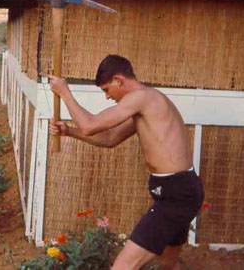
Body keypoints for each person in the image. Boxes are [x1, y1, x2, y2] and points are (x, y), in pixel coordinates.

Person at [49, 55, 203, 270]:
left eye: (106, 89)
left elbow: (90, 125)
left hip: (176, 195)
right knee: (168, 265)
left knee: (123, 267)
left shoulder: (142, 97)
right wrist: (69, 132)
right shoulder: (144, 105)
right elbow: (110, 138)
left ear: (119, 80)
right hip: (178, 190)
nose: (107, 97)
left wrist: (64, 93)